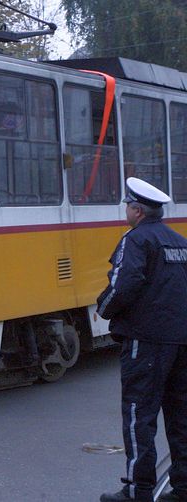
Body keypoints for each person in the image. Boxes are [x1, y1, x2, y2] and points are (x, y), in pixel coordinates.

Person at [98, 177, 187, 502]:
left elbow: (123, 285)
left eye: (127, 205)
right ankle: (183, 488)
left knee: (139, 416)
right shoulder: (179, 241)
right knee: (181, 417)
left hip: (146, 342)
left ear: (136, 210)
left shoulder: (135, 240)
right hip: (181, 342)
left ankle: (138, 491)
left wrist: (103, 308)